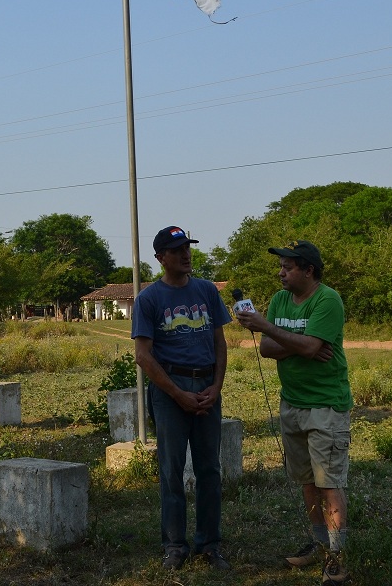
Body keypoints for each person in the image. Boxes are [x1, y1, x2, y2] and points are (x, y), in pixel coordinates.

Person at [234, 239, 353, 585]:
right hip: (292, 404)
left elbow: (310, 345)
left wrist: (269, 328)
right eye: (281, 266)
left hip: (325, 406)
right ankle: (318, 544)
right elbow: (269, 349)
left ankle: (337, 556)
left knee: (329, 483)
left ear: (308, 270)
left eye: (288, 267)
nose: (281, 272)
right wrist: (298, 344)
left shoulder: (328, 299)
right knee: (306, 481)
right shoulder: (280, 299)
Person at [131, 225, 232, 571]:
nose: (186, 255)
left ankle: (209, 543)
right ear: (160, 258)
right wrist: (177, 395)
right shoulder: (149, 299)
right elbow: (143, 356)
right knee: (171, 471)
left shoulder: (206, 291)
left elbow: (220, 343)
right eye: (177, 251)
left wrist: (216, 387)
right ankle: (175, 545)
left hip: (206, 386)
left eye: (187, 248)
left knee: (209, 470)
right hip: (169, 388)